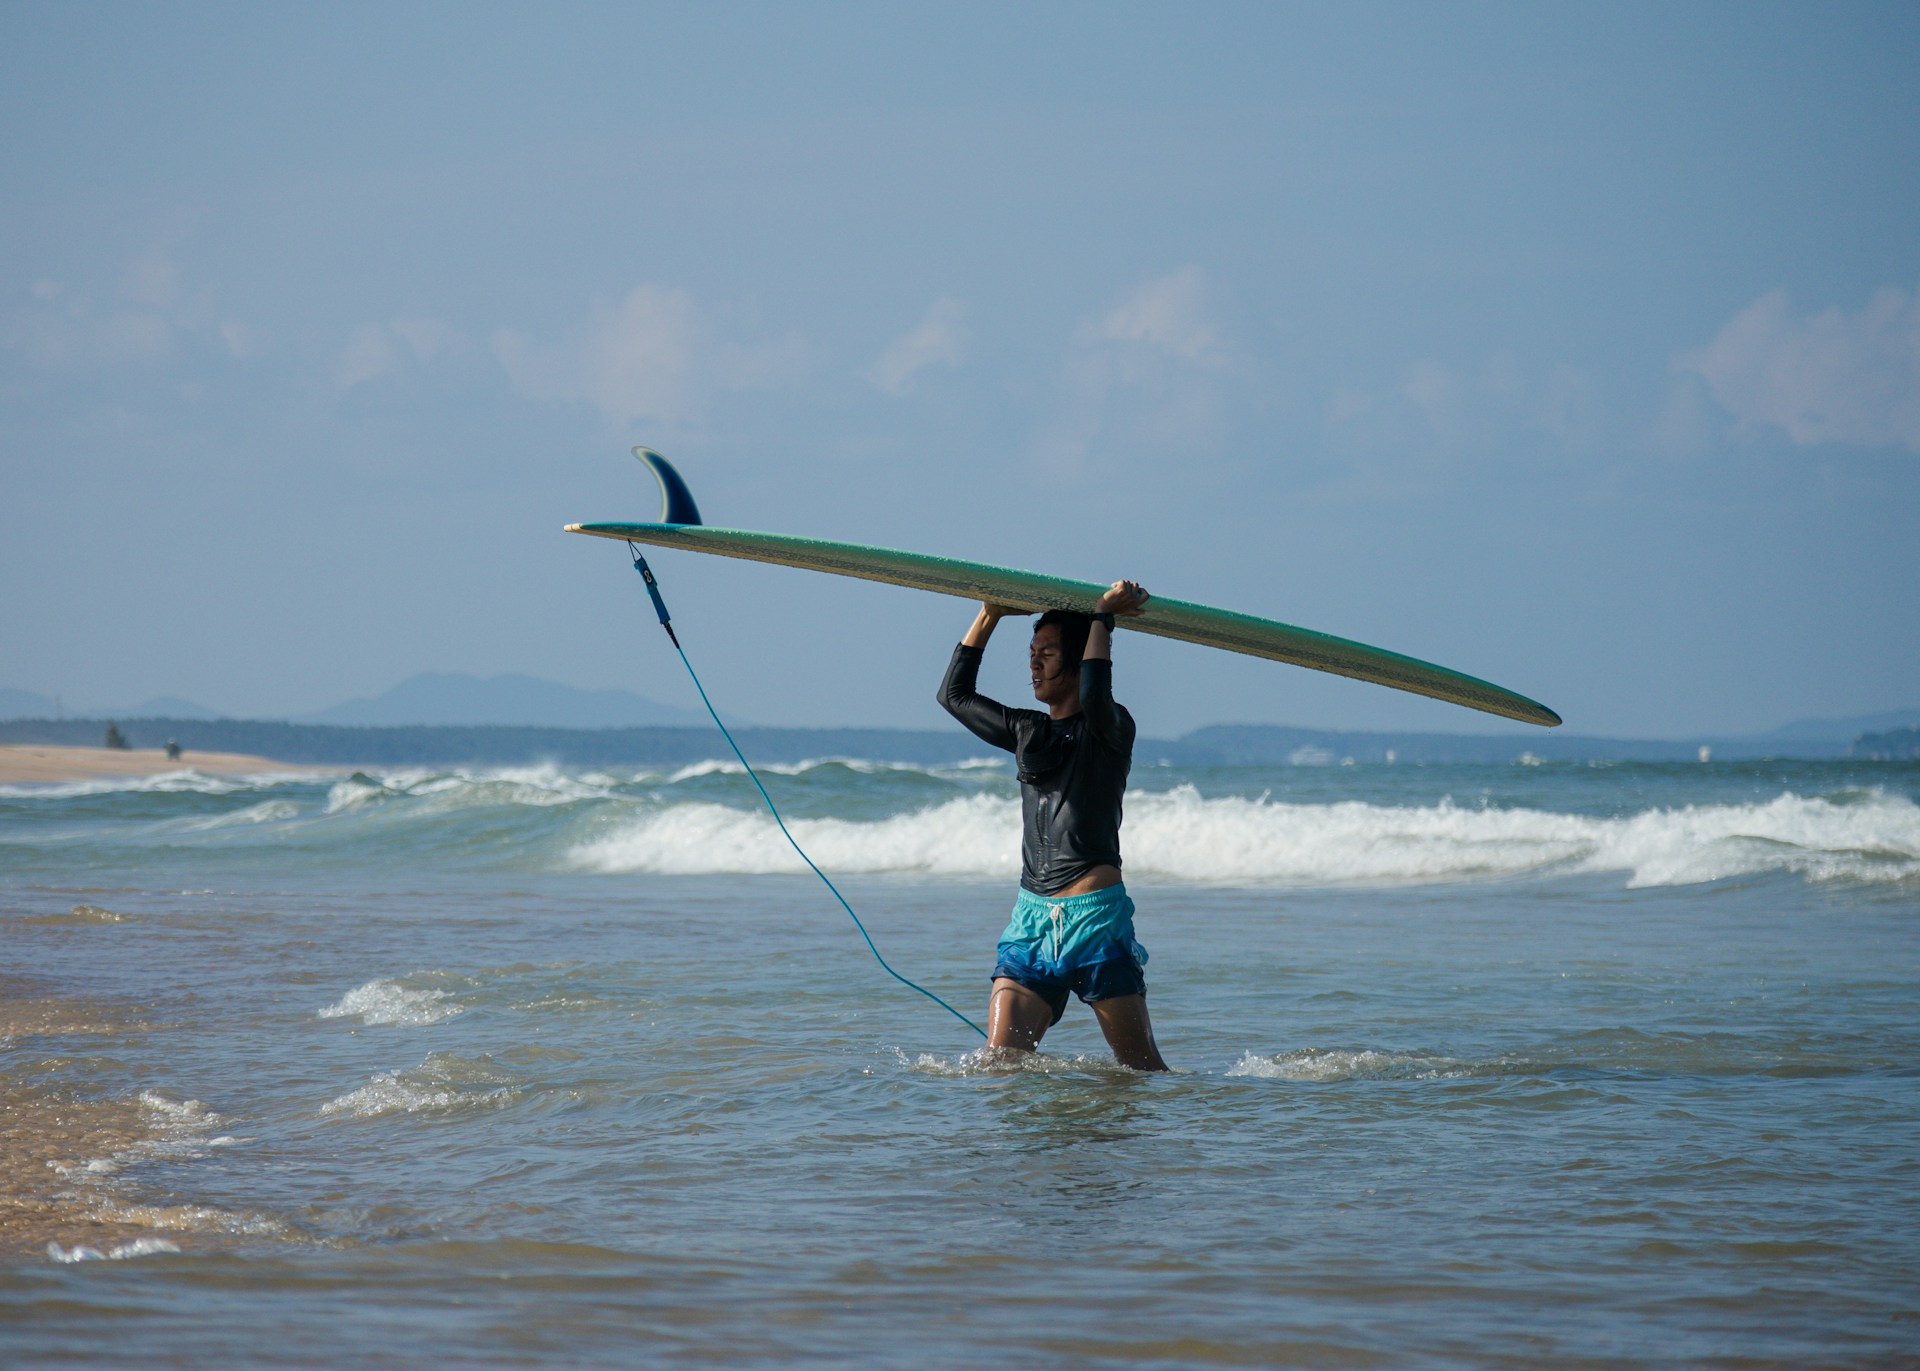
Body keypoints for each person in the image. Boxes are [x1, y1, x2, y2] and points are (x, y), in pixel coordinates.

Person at [937, 581, 1168, 1071]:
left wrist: (1104, 618)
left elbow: (1094, 689)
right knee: (998, 1065)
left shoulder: (1111, 729)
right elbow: (954, 696)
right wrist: (991, 614)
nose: (1034, 664)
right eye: (1032, 652)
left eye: (1048, 653)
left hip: (1094, 921)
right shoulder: (1027, 731)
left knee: (1140, 1071)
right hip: (1030, 921)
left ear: (1077, 658)